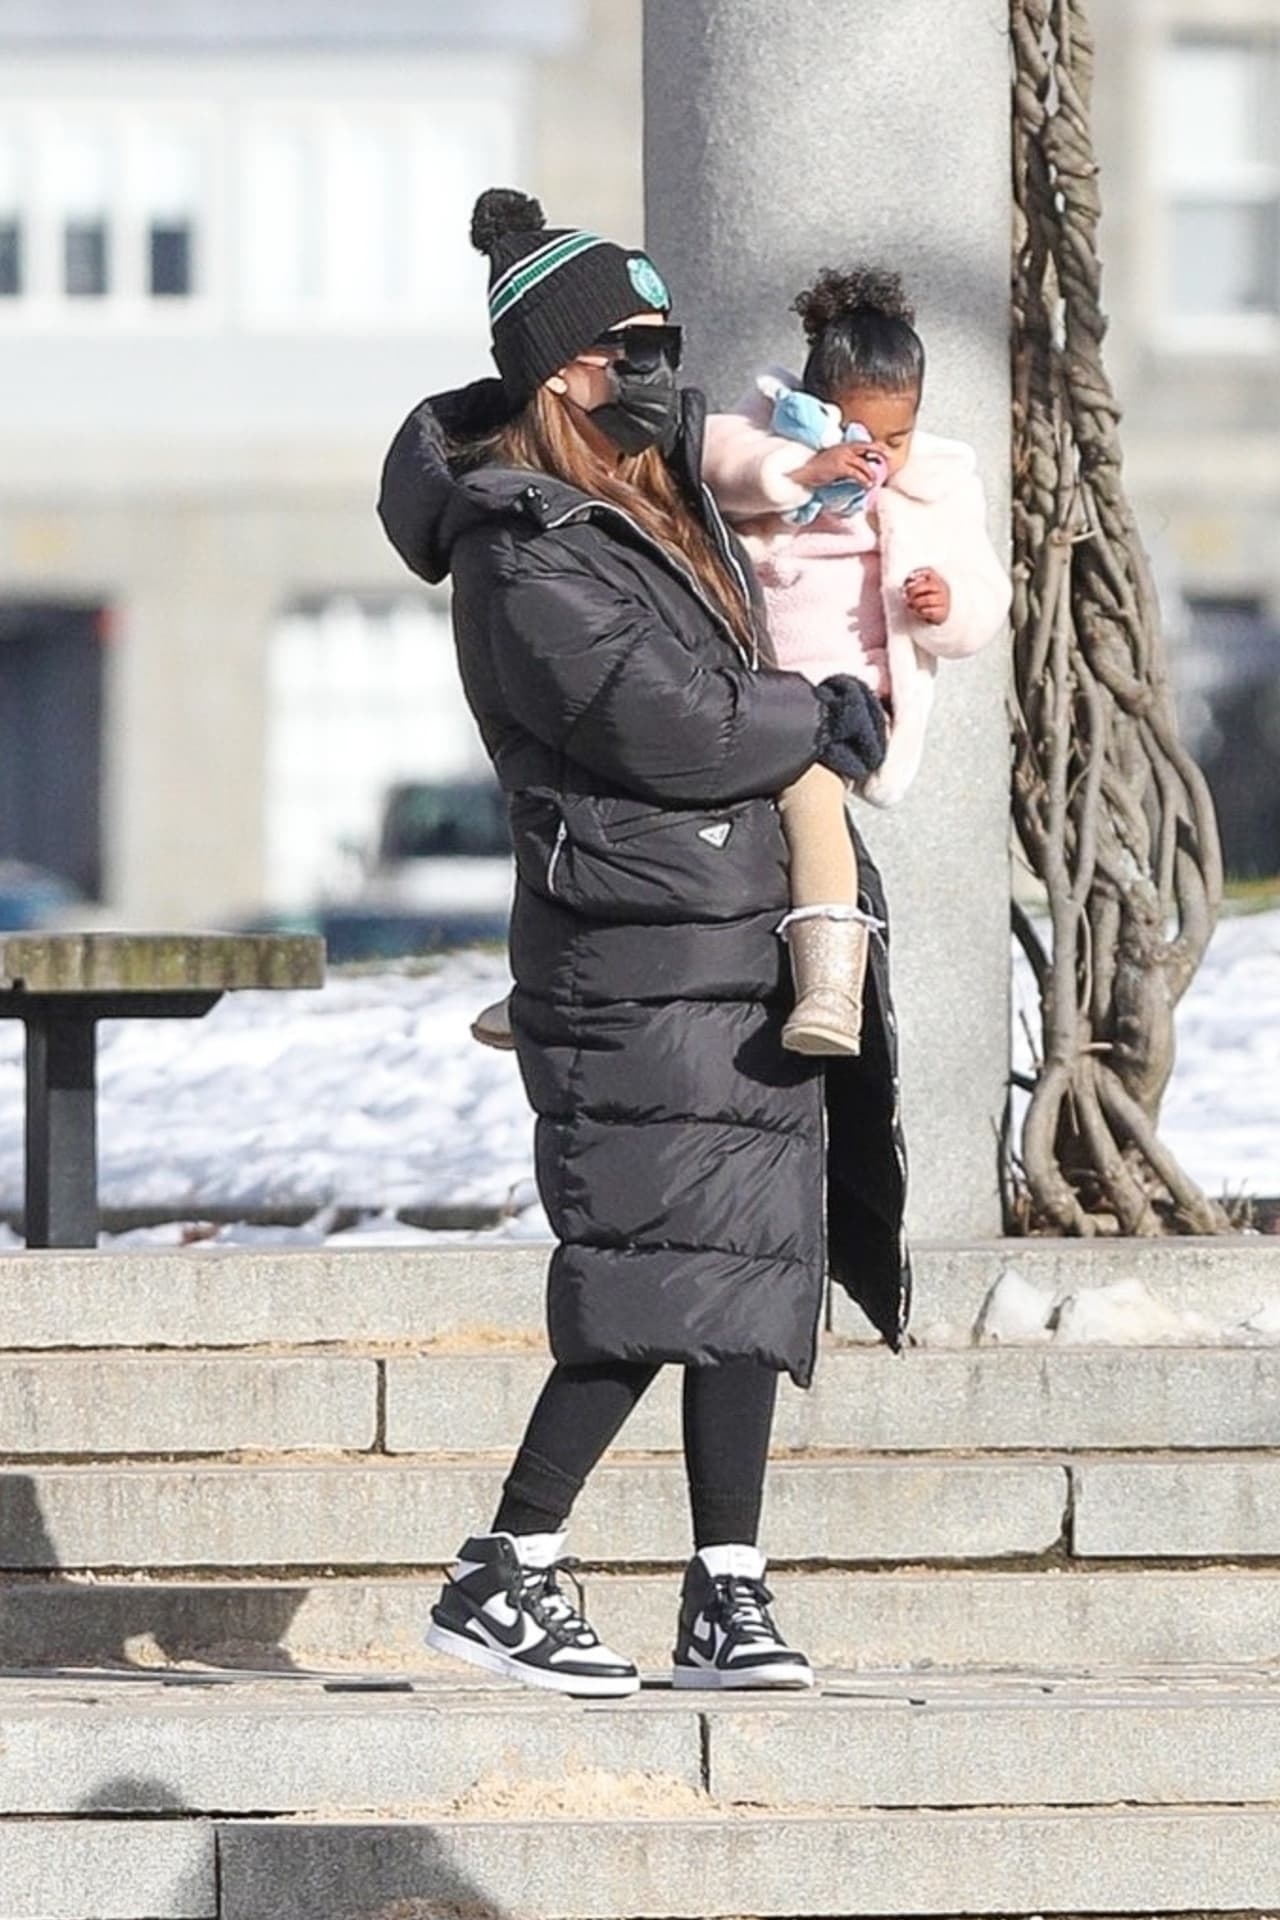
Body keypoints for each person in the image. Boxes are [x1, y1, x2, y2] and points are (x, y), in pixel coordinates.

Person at [378, 189, 909, 1699]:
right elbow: (659, 726)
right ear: (563, 371)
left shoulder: (647, 501)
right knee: (648, 1271)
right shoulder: (520, 543)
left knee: (751, 1262)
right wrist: (818, 718)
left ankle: (725, 1587)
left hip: (724, 930)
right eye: (638, 345)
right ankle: (508, 1566)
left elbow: (771, 523)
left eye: (670, 341)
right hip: (629, 940)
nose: (664, 369)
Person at [701, 266, 1012, 1052]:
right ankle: (561, 985)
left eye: (896, 438)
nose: (877, 455)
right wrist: (798, 471)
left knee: (810, 801)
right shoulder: (766, 427)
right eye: (857, 435)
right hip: (744, 680)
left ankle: (832, 990)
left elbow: (986, 597)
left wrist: (944, 603)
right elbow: (710, 461)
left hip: (845, 696)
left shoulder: (937, 486)